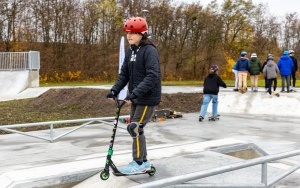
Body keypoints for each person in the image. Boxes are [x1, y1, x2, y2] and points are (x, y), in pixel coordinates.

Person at [106, 16, 161, 174]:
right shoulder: (131, 51)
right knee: (138, 129)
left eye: (133, 33)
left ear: (142, 34)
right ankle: (143, 161)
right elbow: (124, 74)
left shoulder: (149, 50)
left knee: (134, 127)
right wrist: (114, 90)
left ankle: (138, 163)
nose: (129, 36)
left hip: (148, 97)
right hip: (136, 96)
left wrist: (135, 93)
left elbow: (152, 76)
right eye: (128, 32)